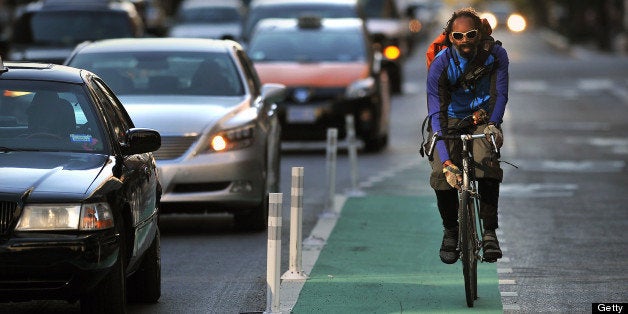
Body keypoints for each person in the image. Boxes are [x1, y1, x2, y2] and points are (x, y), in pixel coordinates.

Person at [425, 8, 509, 264]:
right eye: (458, 36)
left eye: (470, 35)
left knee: (486, 162)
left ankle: (490, 232)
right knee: (441, 174)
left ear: (479, 34)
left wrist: (494, 124)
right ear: (450, 37)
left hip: (483, 118)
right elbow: (435, 112)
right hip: (448, 121)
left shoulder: (496, 55)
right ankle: (451, 231)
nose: (464, 41)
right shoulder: (441, 64)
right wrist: (447, 162)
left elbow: (500, 94)